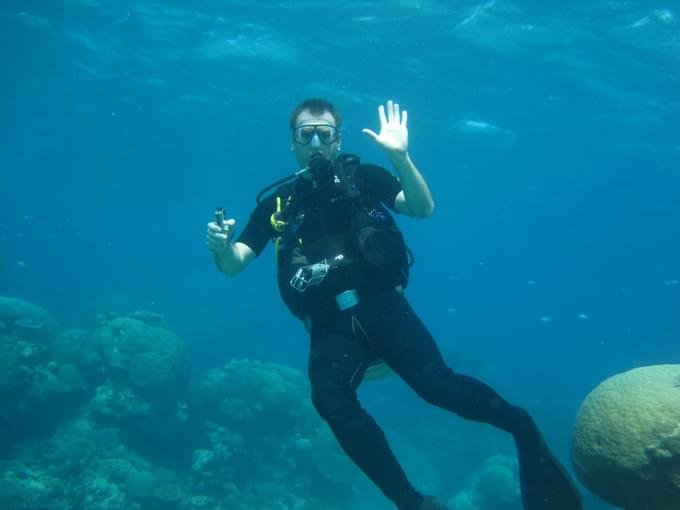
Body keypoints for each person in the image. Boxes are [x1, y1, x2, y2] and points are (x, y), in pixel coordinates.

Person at [206, 99, 583, 510]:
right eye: (306, 134)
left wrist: (400, 157)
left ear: (338, 139)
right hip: (329, 325)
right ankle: (411, 501)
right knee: (329, 400)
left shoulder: (364, 176)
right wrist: (221, 247)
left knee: (438, 386)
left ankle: (522, 428)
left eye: (325, 133)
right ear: (293, 142)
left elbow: (422, 208)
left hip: (381, 306)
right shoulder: (276, 205)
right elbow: (234, 263)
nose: (316, 142)